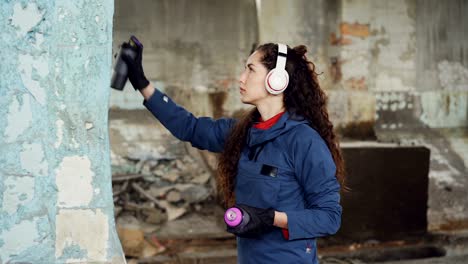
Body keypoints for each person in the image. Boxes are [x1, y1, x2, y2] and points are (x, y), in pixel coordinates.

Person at [121, 40, 344, 264]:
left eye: (250, 69)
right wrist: (142, 83)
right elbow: (191, 127)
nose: (241, 77)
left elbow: (329, 218)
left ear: (276, 80)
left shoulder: (304, 142)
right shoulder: (241, 133)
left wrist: (271, 219)